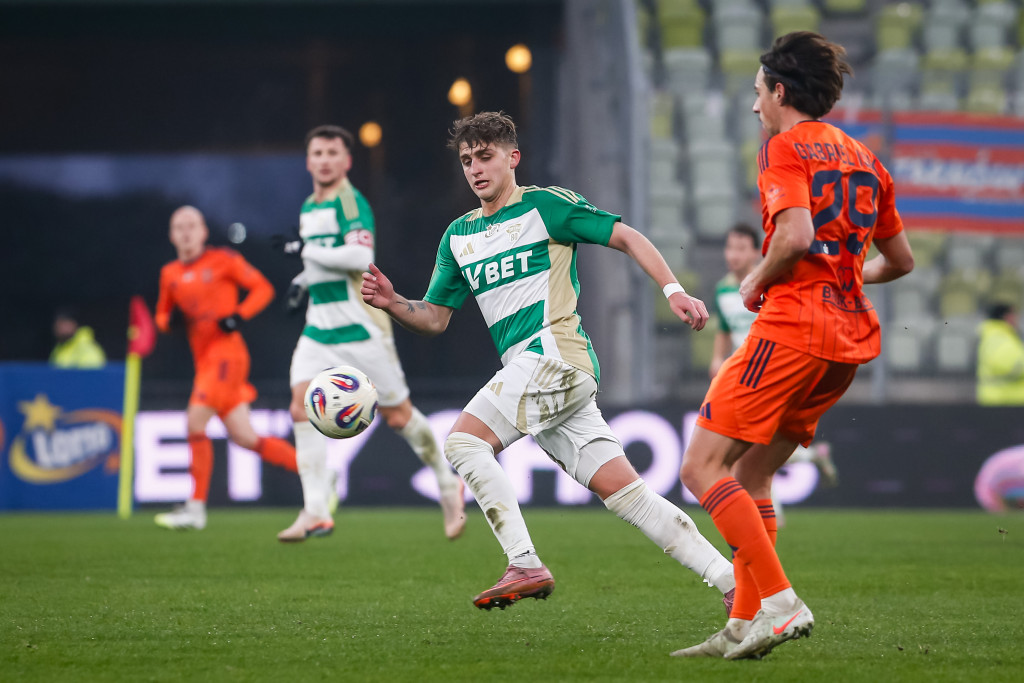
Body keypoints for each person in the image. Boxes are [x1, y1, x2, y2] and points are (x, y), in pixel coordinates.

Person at [361, 111, 736, 611]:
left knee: (464, 442)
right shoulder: (458, 236)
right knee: (628, 495)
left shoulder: (545, 206)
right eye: (467, 160)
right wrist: (392, 302)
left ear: (513, 158)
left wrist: (673, 290)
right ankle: (738, 586)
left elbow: (626, 236)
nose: (475, 168)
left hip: (553, 357)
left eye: (486, 156)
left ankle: (524, 562)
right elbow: (434, 318)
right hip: (538, 373)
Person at [673, 32, 915, 660]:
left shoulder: (783, 147)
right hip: (847, 341)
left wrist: (755, 280)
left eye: (758, 92)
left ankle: (781, 604)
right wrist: (844, 274)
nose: (755, 105)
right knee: (752, 473)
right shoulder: (868, 160)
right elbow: (901, 261)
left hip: (792, 330)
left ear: (780, 92)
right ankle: (744, 622)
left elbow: (797, 235)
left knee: (700, 468)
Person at [274, 124, 465, 543]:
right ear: (308, 161)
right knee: (301, 407)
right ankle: (315, 510)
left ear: (347, 161)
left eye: (332, 153)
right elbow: (324, 261)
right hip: (318, 328)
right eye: (318, 153)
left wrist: (305, 251)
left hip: (361, 329)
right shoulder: (308, 206)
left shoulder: (350, 201)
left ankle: (447, 483)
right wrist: (302, 281)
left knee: (399, 417)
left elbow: (360, 256)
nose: (324, 160)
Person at [153, 205, 299, 531]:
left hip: (227, 356)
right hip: (204, 361)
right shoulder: (169, 274)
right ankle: (318, 473)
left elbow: (263, 288)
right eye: (179, 227)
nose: (186, 232)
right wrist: (169, 322)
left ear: (204, 232)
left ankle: (195, 509)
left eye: (192, 225)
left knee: (194, 421)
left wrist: (239, 316)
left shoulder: (223, 260)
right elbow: (161, 316)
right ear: (172, 235)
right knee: (245, 437)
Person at [709, 223, 838, 525]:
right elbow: (725, 329)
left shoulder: (770, 282)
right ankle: (811, 460)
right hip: (746, 373)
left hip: (774, 370)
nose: (733, 255)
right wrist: (717, 359)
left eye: (741, 248)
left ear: (756, 252)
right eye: (730, 248)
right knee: (752, 448)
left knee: (750, 448)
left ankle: (770, 513)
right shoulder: (723, 290)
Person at [977, 302, 1024, 405]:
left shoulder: (1000, 335)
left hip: (1006, 401)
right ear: (1007, 316)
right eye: (1014, 314)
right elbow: (1012, 365)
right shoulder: (998, 337)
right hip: (1003, 402)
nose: (1017, 318)